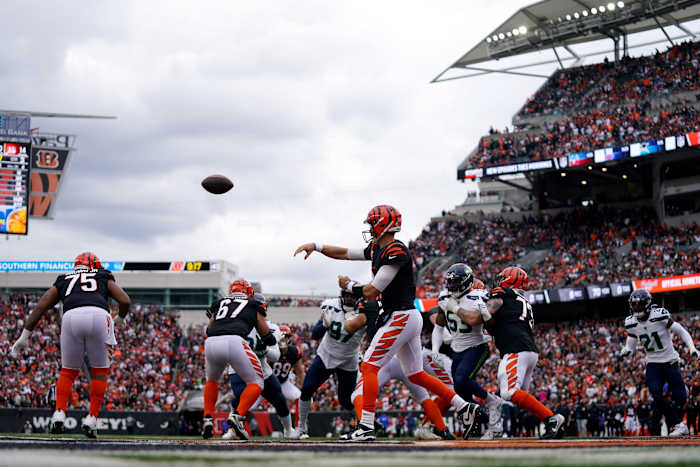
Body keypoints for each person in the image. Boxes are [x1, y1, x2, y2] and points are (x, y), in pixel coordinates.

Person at [294, 204, 480, 441]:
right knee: (416, 374)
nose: (370, 228)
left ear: (382, 224)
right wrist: (317, 247)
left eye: (372, 223)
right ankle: (465, 407)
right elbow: (345, 253)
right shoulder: (378, 247)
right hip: (405, 316)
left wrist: (349, 285)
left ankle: (366, 427)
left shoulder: (395, 249)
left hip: (400, 315)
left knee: (369, 366)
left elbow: (373, 290)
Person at [10, 252, 131, 439]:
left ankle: (59, 413)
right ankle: (91, 419)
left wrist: (25, 334)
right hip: (99, 316)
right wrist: (121, 318)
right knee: (100, 372)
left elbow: (42, 305)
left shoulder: (64, 279)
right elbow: (124, 300)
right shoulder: (102, 276)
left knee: (68, 371)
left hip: (70, 317)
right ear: (94, 266)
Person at [482, 266, 565, 439]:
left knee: (509, 392)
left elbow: (487, 313)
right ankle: (551, 423)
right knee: (518, 397)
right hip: (528, 350)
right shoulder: (522, 300)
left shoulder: (504, 293)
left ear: (509, 280)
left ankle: (551, 419)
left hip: (515, 348)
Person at [432, 264, 504, 439]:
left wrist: (455, 308)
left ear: (466, 282)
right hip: (457, 348)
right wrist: (435, 348)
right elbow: (439, 325)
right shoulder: (444, 297)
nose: (451, 286)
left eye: (455, 282)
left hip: (477, 345)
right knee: (461, 395)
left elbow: (474, 320)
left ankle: (492, 400)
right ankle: (486, 421)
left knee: (462, 378)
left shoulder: (478, 296)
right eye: (449, 282)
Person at [619, 288, 699, 437]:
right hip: (653, 363)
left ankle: (683, 392)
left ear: (648, 304)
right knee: (656, 394)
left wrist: (692, 348)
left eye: (640, 304)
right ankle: (679, 425)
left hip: (669, 360)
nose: (637, 307)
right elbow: (631, 342)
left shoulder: (659, 315)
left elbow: (680, 330)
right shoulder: (630, 322)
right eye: (634, 304)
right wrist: (627, 350)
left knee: (680, 398)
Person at [202, 279, 275, 440]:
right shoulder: (254, 303)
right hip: (234, 342)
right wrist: (272, 340)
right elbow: (265, 333)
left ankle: (207, 417)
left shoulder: (219, 302)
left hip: (211, 343)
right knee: (257, 382)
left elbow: (209, 328)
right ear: (248, 291)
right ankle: (238, 415)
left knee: (212, 380)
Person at [219, 292, 296, 439]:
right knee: (241, 398)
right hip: (239, 367)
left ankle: (288, 430)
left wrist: (264, 349)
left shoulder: (272, 328)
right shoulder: (238, 326)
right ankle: (232, 430)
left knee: (279, 399)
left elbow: (276, 356)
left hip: (261, 369)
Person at [294, 290, 369, 439]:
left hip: (348, 360)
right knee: (307, 388)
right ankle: (301, 427)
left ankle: (364, 425)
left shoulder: (364, 312)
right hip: (326, 355)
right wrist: (323, 325)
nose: (349, 298)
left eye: (352, 296)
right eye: (346, 295)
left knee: (346, 400)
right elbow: (315, 335)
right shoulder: (330, 306)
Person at [349, 347, 457, 440]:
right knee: (425, 398)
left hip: (385, 358)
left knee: (357, 394)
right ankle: (443, 429)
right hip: (405, 361)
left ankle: (367, 425)